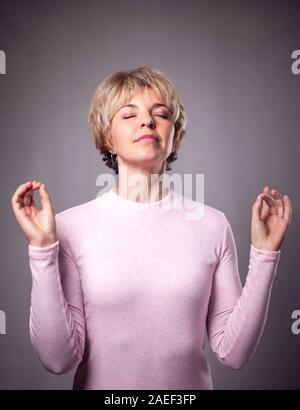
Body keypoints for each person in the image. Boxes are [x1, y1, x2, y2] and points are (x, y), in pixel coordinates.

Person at [11, 66, 292, 390]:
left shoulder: (213, 225)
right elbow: (57, 359)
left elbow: (234, 353)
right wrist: (43, 248)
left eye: (160, 113)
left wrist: (265, 254)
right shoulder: (70, 228)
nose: (147, 121)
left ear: (175, 136)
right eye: (128, 115)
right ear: (107, 138)